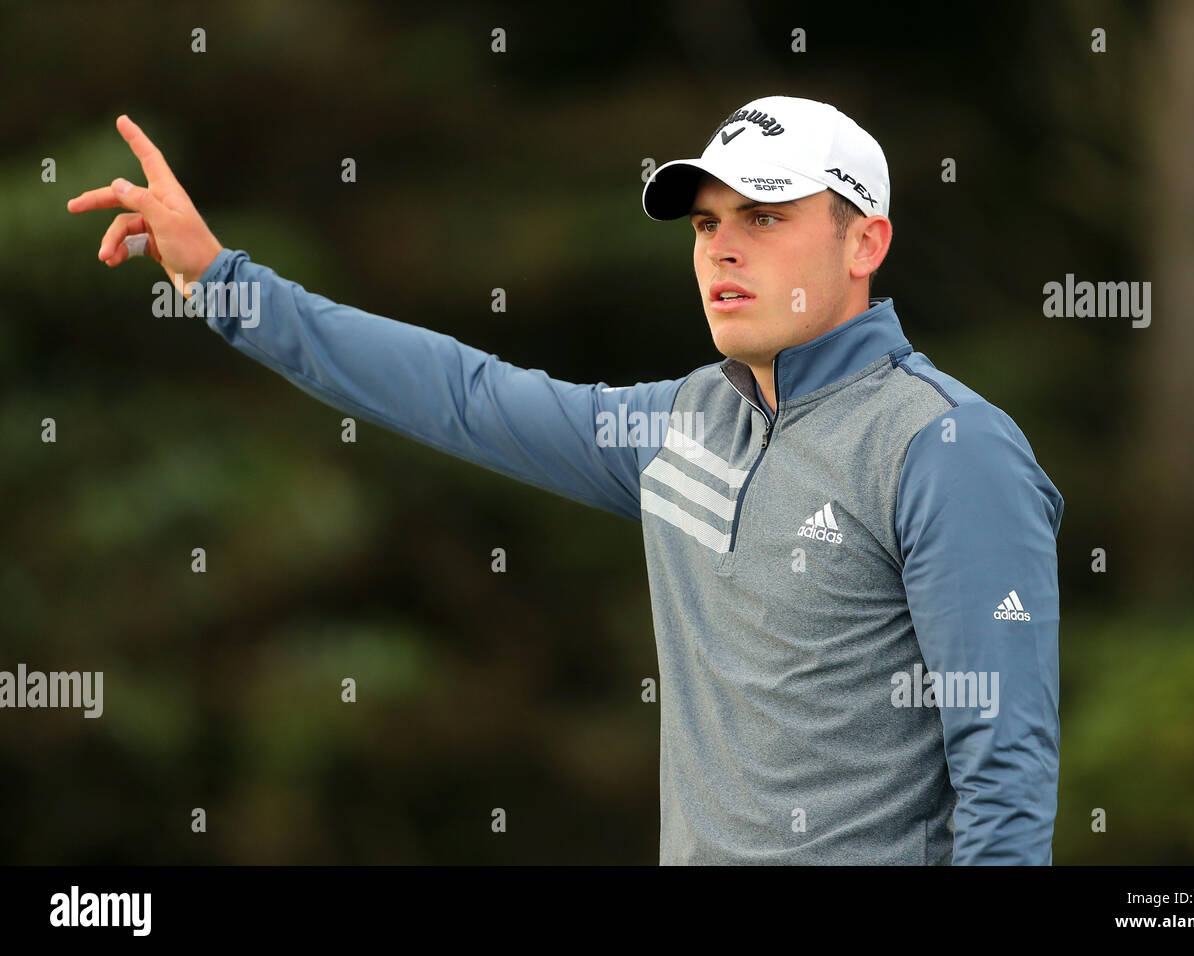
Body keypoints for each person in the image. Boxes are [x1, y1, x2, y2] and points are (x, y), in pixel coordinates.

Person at [68, 95, 1065, 865]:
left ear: (866, 243)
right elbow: (460, 393)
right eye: (705, 220)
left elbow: (1005, 772)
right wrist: (225, 280)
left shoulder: (945, 446)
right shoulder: (674, 424)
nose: (719, 243)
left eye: (763, 216)